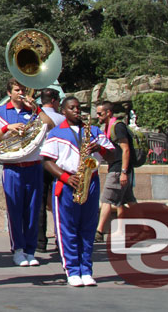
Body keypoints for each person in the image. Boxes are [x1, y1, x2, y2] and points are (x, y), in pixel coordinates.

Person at [41, 96, 117, 287]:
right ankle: (72, 270)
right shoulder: (57, 133)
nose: (77, 110)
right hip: (68, 182)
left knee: (88, 228)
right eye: (72, 108)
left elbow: (114, 154)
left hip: (90, 181)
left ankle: (86, 269)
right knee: (68, 229)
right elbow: (47, 161)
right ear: (63, 111)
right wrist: (66, 177)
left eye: (79, 107)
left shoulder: (93, 131)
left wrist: (99, 147)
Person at [0, 79, 55, 267]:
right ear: (9, 93)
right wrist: (7, 128)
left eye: (23, 89)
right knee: (15, 210)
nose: (21, 93)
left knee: (33, 210)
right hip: (13, 168)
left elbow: (50, 126)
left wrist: (37, 109)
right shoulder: (0, 113)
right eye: (17, 90)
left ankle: (30, 250)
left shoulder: (32, 111)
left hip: (33, 166)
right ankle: (17, 249)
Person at [95, 100, 137, 242]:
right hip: (117, 167)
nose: (98, 116)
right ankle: (145, 228)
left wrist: (124, 171)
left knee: (106, 199)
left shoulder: (117, 127)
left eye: (100, 113)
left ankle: (99, 231)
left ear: (108, 112)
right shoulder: (109, 126)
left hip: (119, 169)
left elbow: (125, 149)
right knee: (128, 200)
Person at [38, 88, 64, 251]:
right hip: (56, 162)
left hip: (38, 161)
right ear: (54, 101)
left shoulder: (34, 117)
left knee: (40, 202)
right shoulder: (62, 118)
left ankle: (40, 242)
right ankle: (60, 237)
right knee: (57, 200)